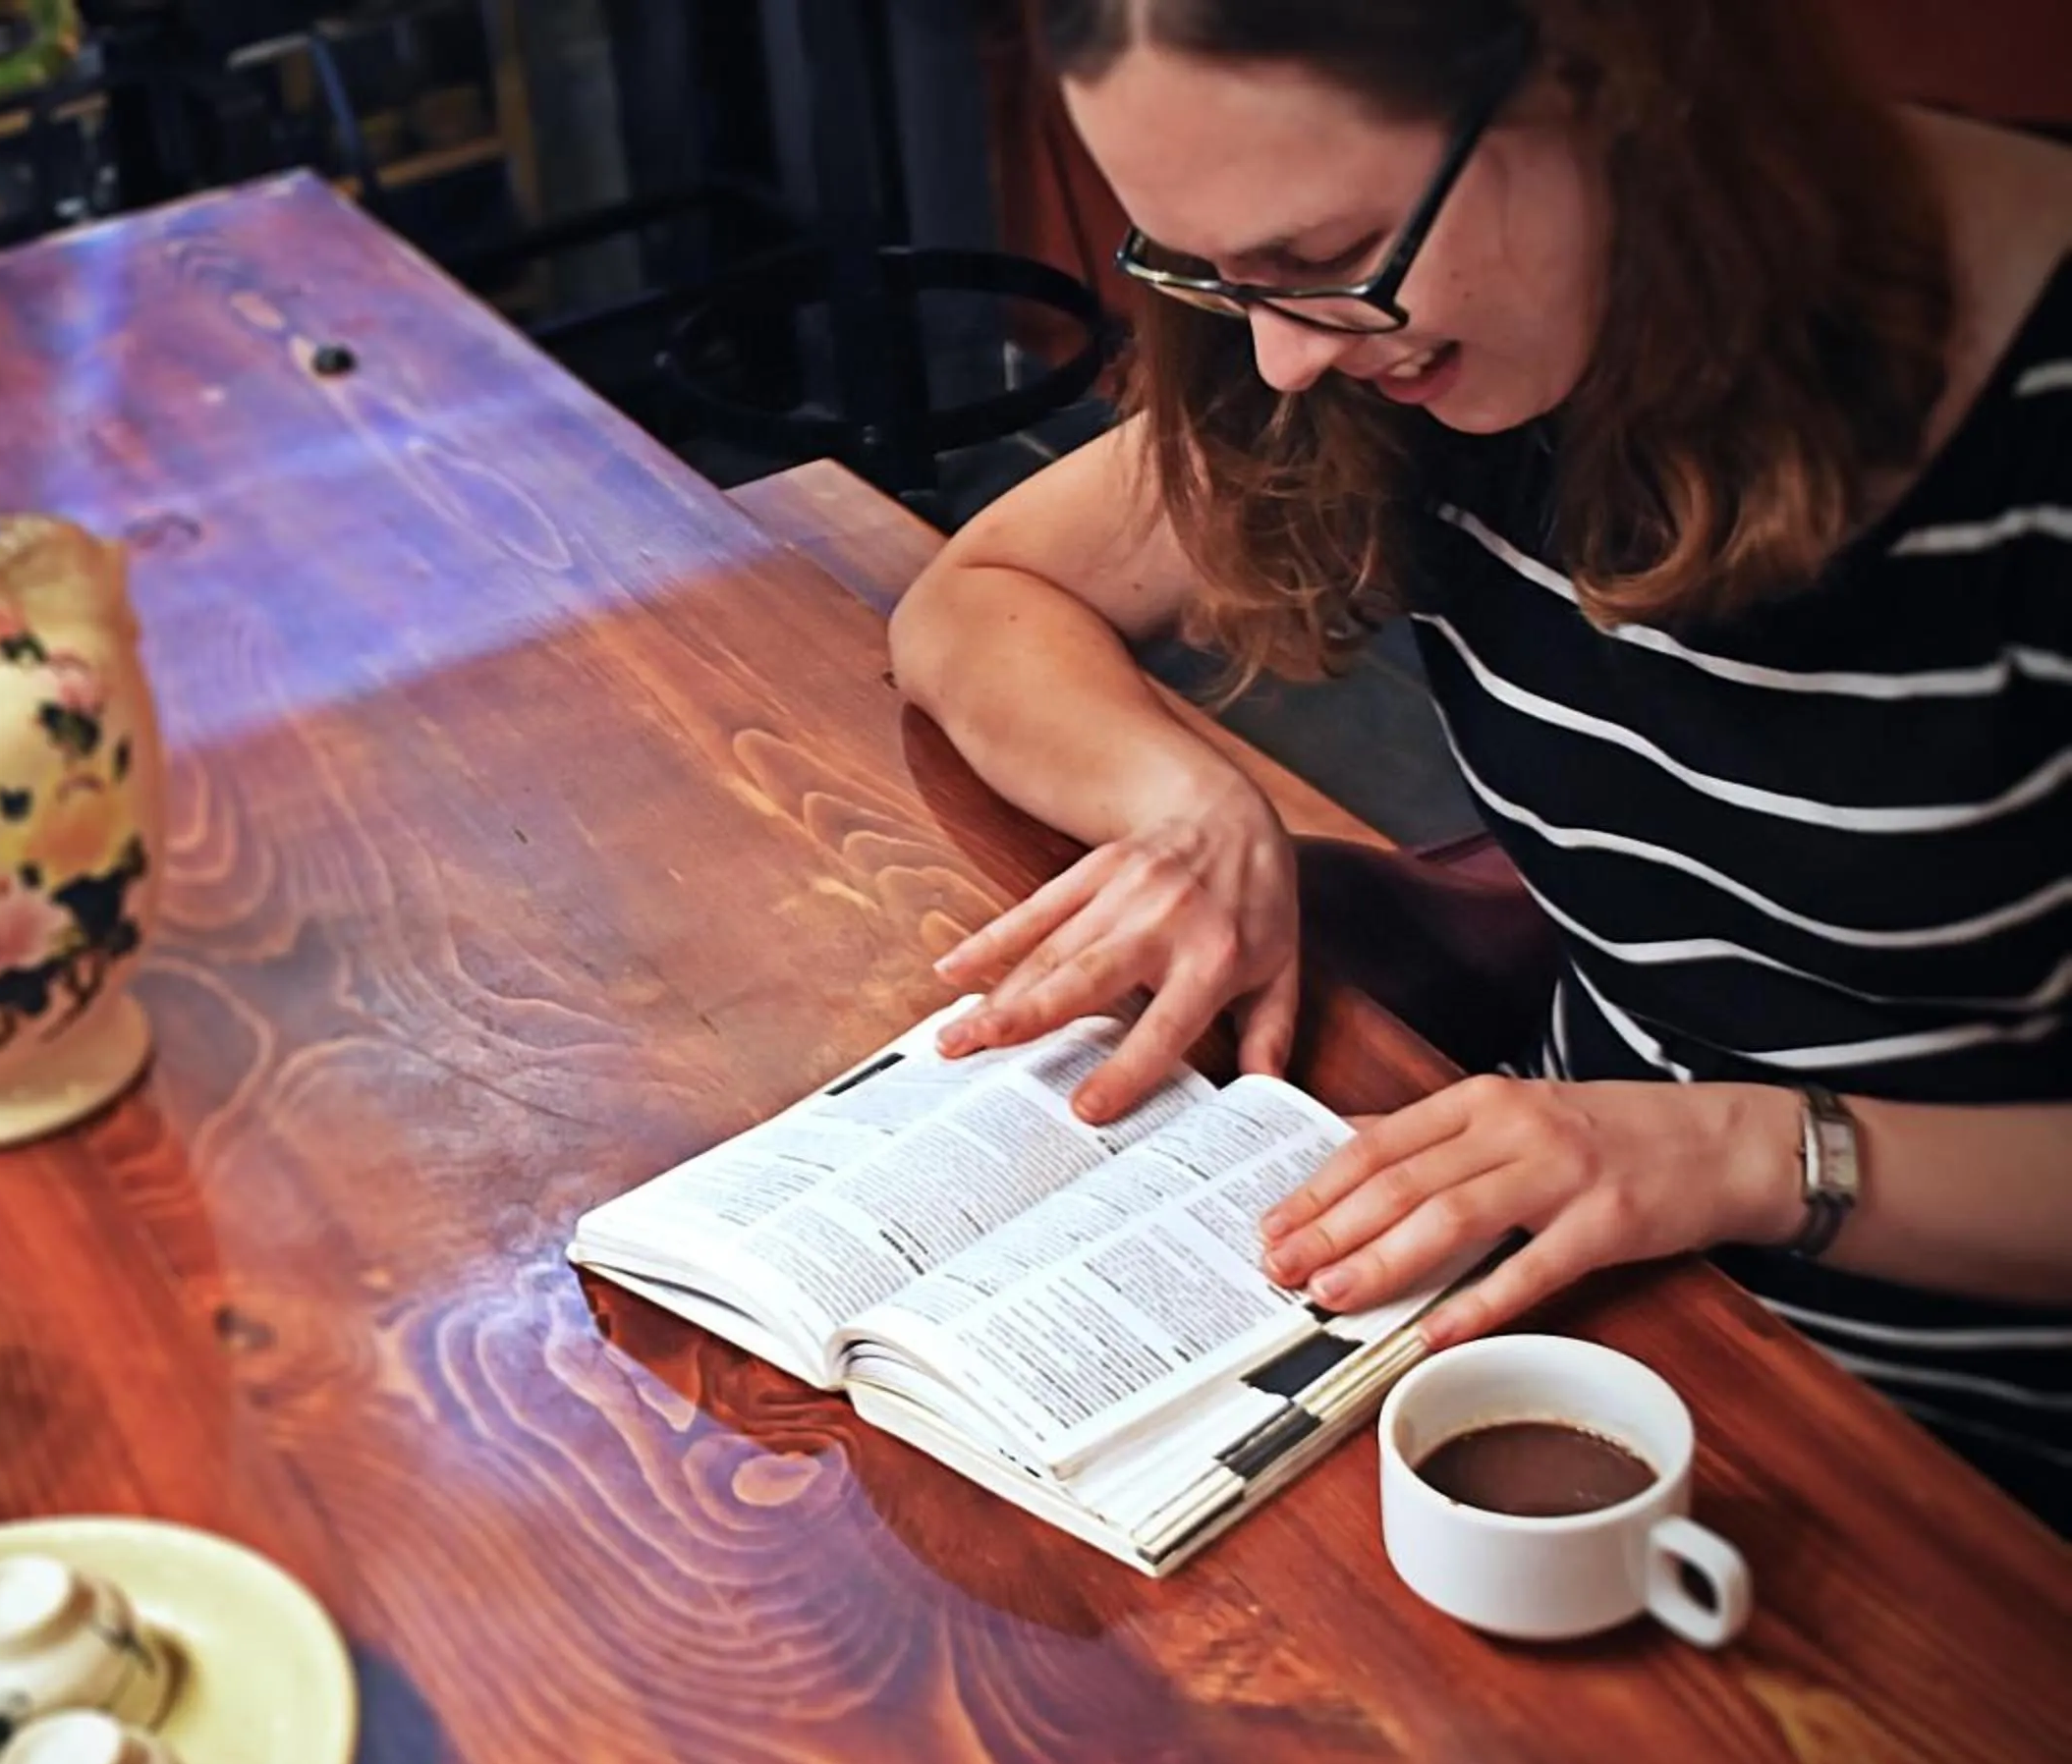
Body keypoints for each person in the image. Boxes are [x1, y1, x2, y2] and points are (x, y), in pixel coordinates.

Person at [887, 0, 2072, 1528]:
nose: (1284, 359)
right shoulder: (1413, 347)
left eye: (1324, 257)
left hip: (1976, 1464)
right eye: (1208, 271)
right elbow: (975, 605)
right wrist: (1188, 803)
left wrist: (1744, 1155)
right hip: (1576, 1283)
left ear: (1618, 81)